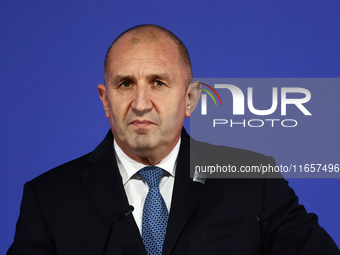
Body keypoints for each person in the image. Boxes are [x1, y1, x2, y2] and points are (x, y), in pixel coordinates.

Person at [7, 24, 340, 255]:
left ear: (190, 99)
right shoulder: (48, 199)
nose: (140, 103)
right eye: (125, 84)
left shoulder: (252, 178)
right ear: (105, 100)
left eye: (158, 83)